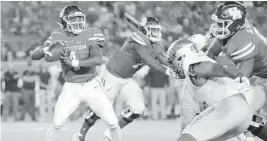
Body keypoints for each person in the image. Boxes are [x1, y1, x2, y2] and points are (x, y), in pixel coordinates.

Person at [72, 17, 174, 141]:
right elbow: (149, 60)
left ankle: (112, 132)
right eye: (153, 30)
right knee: (100, 109)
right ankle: (80, 134)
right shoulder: (137, 37)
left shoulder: (156, 44)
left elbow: (163, 58)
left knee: (138, 107)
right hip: (111, 75)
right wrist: (168, 71)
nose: (156, 33)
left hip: (126, 79)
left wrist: (177, 67)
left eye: (157, 30)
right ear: (144, 30)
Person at [31, 5, 122, 141]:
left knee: (113, 123)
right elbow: (35, 56)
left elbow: (97, 59)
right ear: (65, 22)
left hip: (92, 85)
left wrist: (75, 63)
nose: (78, 22)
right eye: (74, 19)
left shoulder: (90, 34)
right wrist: (46, 49)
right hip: (71, 87)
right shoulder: (58, 37)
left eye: (80, 19)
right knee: (56, 124)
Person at [167, 38, 267, 141]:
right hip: (240, 112)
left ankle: (252, 127)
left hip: (236, 106)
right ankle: (253, 126)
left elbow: (220, 69)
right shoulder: (188, 88)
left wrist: (239, 74)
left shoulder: (197, 68)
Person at [206, 2, 267, 140]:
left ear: (235, 24)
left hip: (262, 78)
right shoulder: (231, 33)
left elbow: (241, 80)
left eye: (222, 23)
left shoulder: (243, 39)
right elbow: (210, 54)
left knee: (241, 111)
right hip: (256, 77)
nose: (217, 27)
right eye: (218, 23)